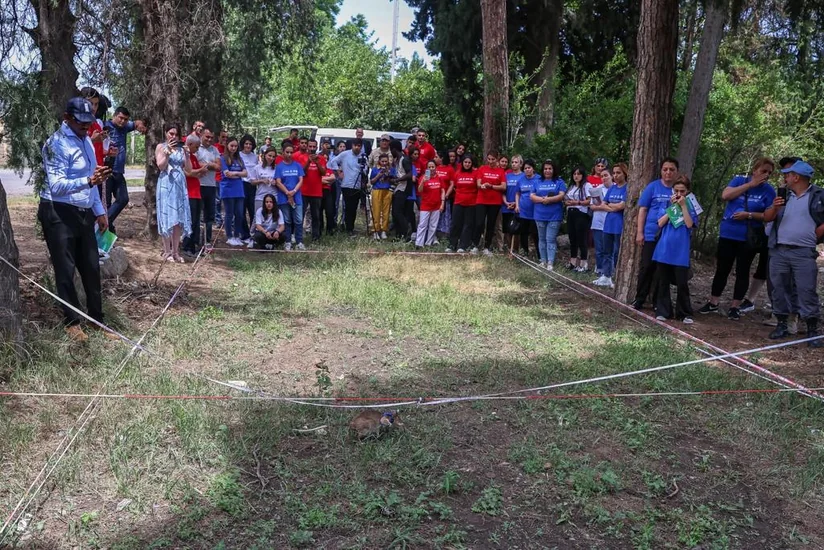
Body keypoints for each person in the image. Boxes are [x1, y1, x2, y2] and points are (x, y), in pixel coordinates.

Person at [39, 97, 117, 342]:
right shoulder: (55, 144)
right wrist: (89, 181)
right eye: (80, 122)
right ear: (67, 118)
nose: (86, 126)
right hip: (58, 212)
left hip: (84, 212)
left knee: (92, 267)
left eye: (88, 122)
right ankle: (71, 322)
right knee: (66, 269)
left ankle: (96, 320)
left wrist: (100, 210)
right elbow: (58, 185)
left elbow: (93, 178)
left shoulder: (86, 142)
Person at [698, 158, 777, 320]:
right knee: (722, 269)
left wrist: (749, 215)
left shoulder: (769, 191)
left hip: (748, 237)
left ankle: (735, 306)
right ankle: (713, 302)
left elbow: (769, 216)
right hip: (728, 233)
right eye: (764, 171)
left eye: (769, 172)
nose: (766, 175)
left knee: (743, 271)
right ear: (755, 170)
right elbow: (725, 195)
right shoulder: (739, 180)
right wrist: (750, 185)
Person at [762, 160, 824, 347]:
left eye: (788, 174)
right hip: (779, 249)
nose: (785, 177)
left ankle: (812, 330)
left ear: (796, 177)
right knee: (778, 288)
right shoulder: (784, 196)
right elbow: (767, 218)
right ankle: (782, 325)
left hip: (803, 251)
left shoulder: (819, 195)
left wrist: (817, 235)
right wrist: (775, 207)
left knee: (806, 290)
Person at [632, 157, 680, 309]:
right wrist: (640, 232)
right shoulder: (653, 187)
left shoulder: (678, 190)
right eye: (665, 169)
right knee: (646, 267)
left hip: (669, 237)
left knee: (662, 270)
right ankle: (639, 298)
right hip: (651, 234)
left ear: (676, 172)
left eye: (671, 169)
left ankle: (657, 302)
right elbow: (643, 209)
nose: (668, 172)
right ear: (661, 171)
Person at [653, 175, 698, 324]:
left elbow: (690, 224)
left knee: (682, 282)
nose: (679, 194)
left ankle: (684, 312)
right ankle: (663, 310)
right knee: (663, 281)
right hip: (664, 248)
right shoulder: (667, 202)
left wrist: (683, 206)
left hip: (681, 250)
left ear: (687, 192)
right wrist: (672, 208)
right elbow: (660, 223)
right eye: (676, 190)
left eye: (682, 191)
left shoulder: (691, 206)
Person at [103, 106, 147, 234]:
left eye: (125, 119)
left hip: (119, 172)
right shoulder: (106, 126)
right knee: (106, 204)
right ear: (115, 116)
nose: (122, 121)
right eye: (121, 118)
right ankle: (107, 229)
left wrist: (140, 125)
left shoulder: (126, 127)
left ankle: (106, 222)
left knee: (123, 199)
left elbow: (136, 123)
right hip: (107, 171)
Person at [155, 124, 192, 262]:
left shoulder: (181, 148)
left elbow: (188, 169)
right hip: (166, 182)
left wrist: (187, 155)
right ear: (165, 133)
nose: (173, 136)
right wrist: (167, 151)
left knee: (177, 218)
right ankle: (167, 251)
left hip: (179, 183)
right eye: (171, 133)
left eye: (176, 134)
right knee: (166, 215)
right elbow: (161, 166)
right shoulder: (161, 147)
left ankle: (176, 251)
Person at [596, 164, 629, 288]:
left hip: (619, 225)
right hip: (608, 224)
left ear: (624, 173)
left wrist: (611, 206)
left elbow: (623, 205)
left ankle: (617, 277)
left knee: (617, 252)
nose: (615, 175)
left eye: (618, 173)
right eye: (614, 173)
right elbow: (603, 204)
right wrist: (613, 207)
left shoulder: (627, 188)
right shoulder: (612, 188)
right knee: (606, 251)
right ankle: (606, 275)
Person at [530, 160, 567, 270]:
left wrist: (550, 200)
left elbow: (561, 196)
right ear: (542, 170)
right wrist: (542, 199)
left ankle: (550, 262)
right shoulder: (537, 181)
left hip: (554, 216)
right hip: (539, 215)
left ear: (553, 170)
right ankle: (543, 261)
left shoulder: (559, 182)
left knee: (550, 239)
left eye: (550, 168)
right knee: (541, 239)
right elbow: (532, 196)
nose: (547, 171)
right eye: (545, 169)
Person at [475, 151, 507, 256]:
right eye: (489, 159)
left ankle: (486, 247)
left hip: (494, 201)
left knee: (491, 224)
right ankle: (475, 245)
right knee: (479, 223)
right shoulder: (482, 169)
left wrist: (491, 186)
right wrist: (483, 185)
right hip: (481, 200)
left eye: (493, 159)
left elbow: (503, 187)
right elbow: (478, 184)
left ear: (496, 159)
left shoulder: (501, 171)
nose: (491, 161)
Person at [274, 144, 306, 250]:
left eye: (291, 152)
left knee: (298, 220)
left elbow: (301, 180)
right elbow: (278, 182)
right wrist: (288, 193)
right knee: (286, 221)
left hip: (297, 198)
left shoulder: (297, 165)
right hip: (283, 198)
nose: (289, 154)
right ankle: (287, 241)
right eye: (287, 152)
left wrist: (294, 191)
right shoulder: (279, 167)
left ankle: (299, 242)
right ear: (283, 152)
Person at [195, 128, 221, 247]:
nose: (209, 139)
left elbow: (218, 167)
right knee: (197, 215)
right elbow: (195, 164)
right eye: (207, 137)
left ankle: (207, 241)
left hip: (211, 185)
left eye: (211, 137)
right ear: (201, 135)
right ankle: (196, 240)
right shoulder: (197, 148)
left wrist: (206, 165)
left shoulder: (215, 150)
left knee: (209, 215)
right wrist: (210, 164)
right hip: (198, 185)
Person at [182, 135, 207, 256]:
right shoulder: (184, 156)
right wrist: (200, 171)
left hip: (197, 192)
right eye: (196, 147)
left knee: (197, 220)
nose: (197, 149)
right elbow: (188, 172)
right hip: (189, 192)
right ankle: (187, 246)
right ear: (190, 144)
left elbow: (196, 172)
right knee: (190, 220)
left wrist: (200, 171)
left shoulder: (194, 157)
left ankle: (194, 245)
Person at [220, 137, 248, 246]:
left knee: (240, 213)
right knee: (229, 213)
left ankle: (237, 235)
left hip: (239, 189)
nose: (234, 148)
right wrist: (238, 173)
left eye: (236, 146)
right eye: (232, 146)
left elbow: (245, 173)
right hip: (227, 189)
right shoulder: (223, 158)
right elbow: (227, 174)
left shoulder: (239, 159)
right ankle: (229, 236)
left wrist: (235, 173)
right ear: (227, 145)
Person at [448, 155, 479, 253]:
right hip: (458, 202)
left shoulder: (475, 173)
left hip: (471, 204)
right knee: (455, 224)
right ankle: (452, 245)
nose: (467, 164)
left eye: (469, 162)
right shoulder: (457, 173)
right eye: (465, 162)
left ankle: (463, 246)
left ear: (472, 164)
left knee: (467, 225)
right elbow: (455, 186)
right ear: (462, 163)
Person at [564, 166, 592, 272]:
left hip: (581, 213)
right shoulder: (571, 186)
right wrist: (567, 202)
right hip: (571, 213)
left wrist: (578, 202)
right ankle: (573, 262)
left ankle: (583, 264)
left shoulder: (586, 185)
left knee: (582, 239)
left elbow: (589, 201)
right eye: (574, 174)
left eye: (578, 174)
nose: (576, 176)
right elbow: (566, 199)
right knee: (572, 239)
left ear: (582, 175)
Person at [389, 141, 415, 241]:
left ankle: (405, 231)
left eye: (391, 150)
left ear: (394, 149)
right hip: (398, 188)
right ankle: (399, 235)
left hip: (403, 189)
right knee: (396, 213)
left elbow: (409, 174)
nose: (391, 152)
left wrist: (397, 180)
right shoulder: (398, 160)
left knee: (397, 212)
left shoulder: (404, 159)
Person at [416, 160, 445, 247]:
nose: (431, 169)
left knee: (433, 226)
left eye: (433, 167)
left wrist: (442, 203)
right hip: (425, 205)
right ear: (427, 168)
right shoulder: (423, 177)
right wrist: (423, 181)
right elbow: (419, 190)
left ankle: (429, 243)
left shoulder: (439, 178)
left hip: (436, 205)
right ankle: (419, 243)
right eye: (429, 167)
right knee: (422, 225)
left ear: (436, 168)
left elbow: (443, 191)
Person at [589, 167, 613, 276]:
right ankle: (600, 270)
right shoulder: (597, 189)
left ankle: (610, 271)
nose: (604, 178)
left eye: (606, 175)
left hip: (610, 222)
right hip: (598, 222)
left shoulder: (616, 189)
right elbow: (592, 206)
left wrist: (605, 206)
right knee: (599, 249)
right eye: (602, 176)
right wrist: (604, 207)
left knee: (610, 250)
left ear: (611, 176)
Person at [302, 142, 326, 242]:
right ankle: (299, 236)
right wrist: (308, 161)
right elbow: (302, 172)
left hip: (316, 192)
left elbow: (323, 172)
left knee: (316, 216)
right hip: (304, 191)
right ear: (307, 147)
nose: (312, 148)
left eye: (314, 147)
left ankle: (316, 237)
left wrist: (317, 162)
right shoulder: (302, 157)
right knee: (301, 214)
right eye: (310, 146)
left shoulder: (321, 158)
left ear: (317, 147)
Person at [369, 153, 396, 240]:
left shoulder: (391, 169)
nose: (384, 163)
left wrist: (388, 175)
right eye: (382, 161)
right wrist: (379, 175)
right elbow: (372, 181)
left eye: (386, 161)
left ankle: (384, 230)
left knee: (386, 211)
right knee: (376, 211)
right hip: (377, 190)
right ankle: (376, 230)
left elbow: (394, 180)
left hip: (387, 191)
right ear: (379, 162)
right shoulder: (375, 169)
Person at [515, 159, 539, 257]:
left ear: (533, 169)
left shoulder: (539, 179)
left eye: (529, 168)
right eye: (525, 168)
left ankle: (540, 255)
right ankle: (525, 253)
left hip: (536, 212)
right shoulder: (521, 180)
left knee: (536, 234)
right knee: (523, 233)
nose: (527, 170)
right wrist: (517, 205)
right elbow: (517, 193)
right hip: (523, 211)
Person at [238, 135, 258, 239]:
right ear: (242, 144)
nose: (248, 146)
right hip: (241, 184)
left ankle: (253, 233)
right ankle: (244, 234)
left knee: (252, 209)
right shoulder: (238, 155)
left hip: (252, 185)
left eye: (250, 144)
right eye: (246, 143)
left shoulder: (255, 156)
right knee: (241, 210)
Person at [435, 152, 456, 240]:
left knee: (445, 216)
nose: (435, 158)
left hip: (446, 197)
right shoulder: (434, 168)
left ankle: (444, 235)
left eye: (437, 157)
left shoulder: (450, 169)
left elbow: (452, 184)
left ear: (442, 158)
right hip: (434, 196)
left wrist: (447, 194)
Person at [252, 149, 279, 213]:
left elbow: (280, 182)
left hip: (274, 196)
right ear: (265, 155)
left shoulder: (277, 168)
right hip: (260, 197)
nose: (271, 158)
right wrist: (262, 180)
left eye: (273, 156)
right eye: (269, 155)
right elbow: (252, 182)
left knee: (273, 218)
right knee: (258, 217)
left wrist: (275, 183)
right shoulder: (257, 168)